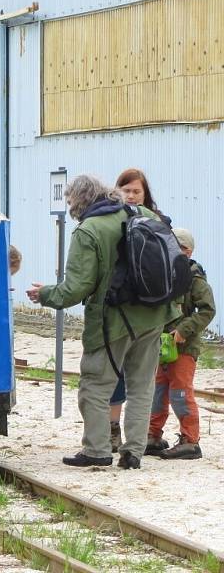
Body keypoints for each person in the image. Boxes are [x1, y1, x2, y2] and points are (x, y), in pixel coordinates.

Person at [26, 174, 178, 470]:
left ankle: (96, 450)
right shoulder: (141, 213)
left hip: (114, 320)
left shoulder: (89, 230)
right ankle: (133, 452)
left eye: (71, 202)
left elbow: (77, 287)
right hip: (154, 314)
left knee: (95, 385)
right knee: (142, 385)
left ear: (80, 201)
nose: (70, 208)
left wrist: (43, 294)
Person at [108, 168, 171, 451]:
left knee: (130, 380)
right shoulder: (158, 222)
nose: (131, 196)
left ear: (145, 194)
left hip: (132, 312)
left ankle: (131, 443)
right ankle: (119, 436)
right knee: (126, 380)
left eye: (136, 191)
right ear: (117, 190)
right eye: (126, 190)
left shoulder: (155, 222)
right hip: (137, 312)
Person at [146, 228, 215, 460]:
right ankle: (152, 436)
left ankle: (190, 441)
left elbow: (208, 310)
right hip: (162, 345)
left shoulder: (195, 278)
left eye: (180, 248)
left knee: (180, 393)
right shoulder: (164, 274)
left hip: (183, 347)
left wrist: (183, 330)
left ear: (189, 251)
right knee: (158, 392)